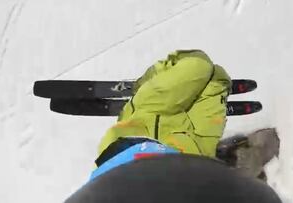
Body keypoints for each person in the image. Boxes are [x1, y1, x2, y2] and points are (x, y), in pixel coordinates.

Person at [90, 49, 232, 180]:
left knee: (200, 65)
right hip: (177, 141)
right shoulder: (200, 161)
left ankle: (143, 86)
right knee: (206, 69)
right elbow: (217, 83)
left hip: (150, 113)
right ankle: (150, 85)